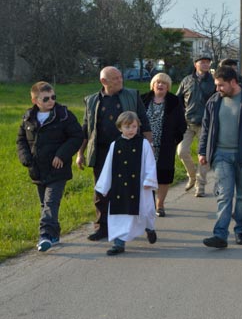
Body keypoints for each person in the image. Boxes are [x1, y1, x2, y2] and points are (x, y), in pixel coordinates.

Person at [76, 66, 152, 242]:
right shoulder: (92, 100)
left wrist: (149, 146)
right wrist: (80, 153)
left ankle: (139, 225)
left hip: (129, 150)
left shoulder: (132, 95)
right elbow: (86, 129)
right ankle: (102, 227)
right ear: (104, 81)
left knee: (132, 189)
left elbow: (144, 121)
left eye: (120, 77)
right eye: (115, 78)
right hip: (102, 151)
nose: (120, 80)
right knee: (101, 189)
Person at [198, 66, 242, 248]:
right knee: (225, 194)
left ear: (233, 82)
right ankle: (220, 234)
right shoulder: (214, 101)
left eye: (221, 85)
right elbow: (206, 128)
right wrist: (202, 151)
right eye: (216, 85)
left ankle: (241, 229)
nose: (218, 89)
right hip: (221, 155)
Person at [16, 82, 83, 252]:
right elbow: (21, 140)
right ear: (35, 100)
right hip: (37, 169)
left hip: (58, 169)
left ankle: (44, 235)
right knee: (44, 204)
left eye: (53, 97)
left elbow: (76, 136)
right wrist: (26, 159)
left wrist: (62, 154)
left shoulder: (64, 115)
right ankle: (54, 235)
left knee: (51, 202)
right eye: (46, 99)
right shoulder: (28, 117)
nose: (51, 101)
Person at [94, 112, 158, 255]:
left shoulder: (144, 144)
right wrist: (103, 186)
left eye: (134, 126)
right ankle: (119, 244)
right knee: (120, 214)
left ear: (138, 127)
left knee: (144, 211)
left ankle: (149, 228)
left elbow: (150, 164)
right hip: (120, 187)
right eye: (127, 127)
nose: (131, 130)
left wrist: (149, 180)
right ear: (120, 127)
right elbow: (108, 166)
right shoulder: (115, 145)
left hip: (140, 186)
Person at [142, 73, 187, 217]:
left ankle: (160, 205)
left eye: (164, 83)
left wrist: (174, 140)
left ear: (168, 87)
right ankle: (147, 204)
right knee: (146, 175)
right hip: (145, 145)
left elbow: (181, 124)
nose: (160, 85)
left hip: (166, 145)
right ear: (153, 85)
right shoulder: (142, 99)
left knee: (164, 175)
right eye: (158, 83)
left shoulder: (174, 101)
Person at [176, 54, 216, 197]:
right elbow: (178, 99)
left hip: (206, 123)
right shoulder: (187, 80)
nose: (205, 65)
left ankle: (200, 185)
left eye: (207, 62)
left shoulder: (213, 81)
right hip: (187, 122)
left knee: (203, 156)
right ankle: (192, 176)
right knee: (181, 151)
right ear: (195, 64)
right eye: (202, 62)